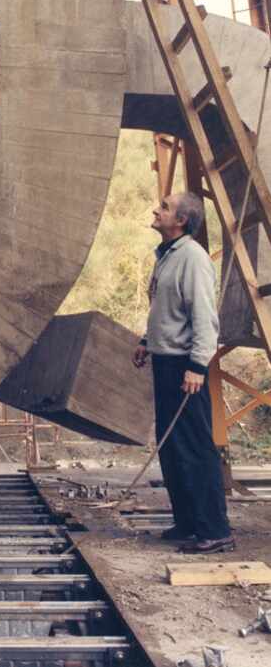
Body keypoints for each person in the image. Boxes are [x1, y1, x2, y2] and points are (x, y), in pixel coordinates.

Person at [133, 191, 233, 553]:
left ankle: (214, 529)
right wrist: (147, 340)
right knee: (172, 446)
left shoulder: (192, 258)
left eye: (164, 207)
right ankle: (188, 522)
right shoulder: (167, 257)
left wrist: (196, 366)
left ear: (181, 222)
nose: (156, 210)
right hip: (165, 361)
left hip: (183, 366)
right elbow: (166, 309)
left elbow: (205, 319)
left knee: (194, 447)